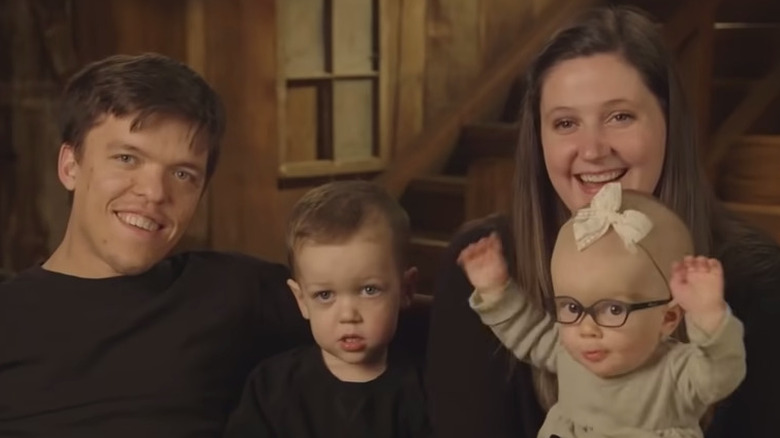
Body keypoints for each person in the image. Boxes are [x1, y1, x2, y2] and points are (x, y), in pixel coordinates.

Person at [425, 5, 780, 438]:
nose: (592, 150)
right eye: (565, 122)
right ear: (539, 139)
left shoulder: (757, 280)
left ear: (670, 123)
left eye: (620, 116)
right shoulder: (483, 266)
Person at [0, 53, 313, 438]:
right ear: (70, 166)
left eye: (183, 174)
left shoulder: (237, 291)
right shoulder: (9, 318)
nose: (154, 192)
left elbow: (381, 314)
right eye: (127, 158)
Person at [459, 182, 746, 437]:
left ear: (668, 318)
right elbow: (528, 330)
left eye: (612, 309)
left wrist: (709, 317)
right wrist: (496, 291)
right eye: (571, 307)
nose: (587, 328)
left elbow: (721, 373)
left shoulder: (677, 373)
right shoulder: (570, 353)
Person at [222, 180, 432, 438]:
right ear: (301, 300)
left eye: (369, 290)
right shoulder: (271, 387)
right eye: (324, 295)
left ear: (406, 290)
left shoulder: (424, 391)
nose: (347, 316)